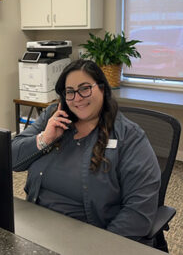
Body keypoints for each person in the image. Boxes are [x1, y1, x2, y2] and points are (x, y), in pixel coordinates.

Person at [12, 59, 161, 245]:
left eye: (85, 88)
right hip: (38, 227)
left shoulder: (129, 137)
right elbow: (12, 159)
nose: (77, 98)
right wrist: (45, 138)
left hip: (89, 238)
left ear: (102, 89)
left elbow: (139, 212)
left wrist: (97, 246)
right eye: (70, 92)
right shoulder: (54, 116)